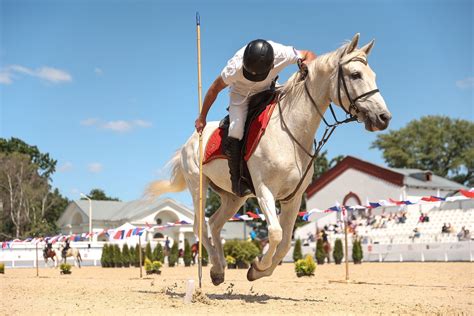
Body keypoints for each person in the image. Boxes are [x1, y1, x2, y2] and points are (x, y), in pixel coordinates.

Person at [195, 39, 316, 196]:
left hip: (268, 88)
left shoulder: (281, 53)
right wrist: (202, 117)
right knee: (236, 130)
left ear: (273, 64)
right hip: (240, 95)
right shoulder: (234, 67)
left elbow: (308, 54)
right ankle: (237, 180)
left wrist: (308, 64)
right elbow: (213, 89)